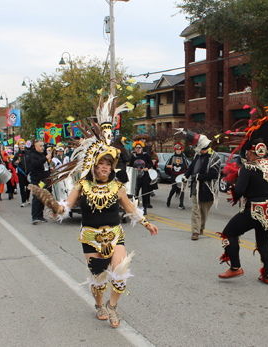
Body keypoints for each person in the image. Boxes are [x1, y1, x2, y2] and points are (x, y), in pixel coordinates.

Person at [30, 89, 159, 328]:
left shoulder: (117, 186)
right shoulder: (82, 185)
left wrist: (145, 222)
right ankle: (99, 303)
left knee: (120, 274)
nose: (105, 167)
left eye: (108, 164)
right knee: (98, 281)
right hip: (90, 236)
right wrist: (55, 207)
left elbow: (130, 207)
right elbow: (66, 206)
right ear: (93, 165)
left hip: (115, 234)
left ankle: (112, 307)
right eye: (101, 163)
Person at [217, 104, 268, 282]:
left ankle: (235, 267)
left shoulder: (248, 168)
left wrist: (233, 190)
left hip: (254, 209)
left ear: (253, 151)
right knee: (263, 242)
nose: (246, 155)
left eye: (247, 152)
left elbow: (240, 191)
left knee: (229, 234)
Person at [180, 129, 221, 240]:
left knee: (204, 212)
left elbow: (214, 174)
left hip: (208, 190)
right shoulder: (197, 156)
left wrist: (199, 177)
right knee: (195, 210)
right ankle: (195, 231)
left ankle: (201, 227)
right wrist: (185, 176)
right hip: (196, 189)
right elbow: (192, 167)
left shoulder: (215, 157)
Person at [30, 139, 52, 224]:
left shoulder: (42, 155)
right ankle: (34, 216)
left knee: (43, 198)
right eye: (40, 146)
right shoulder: (33, 155)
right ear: (35, 147)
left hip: (44, 180)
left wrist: (49, 169)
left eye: (42, 146)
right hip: (37, 179)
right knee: (36, 198)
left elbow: (44, 166)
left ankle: (40, 215)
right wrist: (45, 159)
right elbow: (36, 164)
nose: (42, 148)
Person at [129, 140, 153, 210]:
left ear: (141, 148)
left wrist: (147, 168)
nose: (138, 149)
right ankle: (136, 207)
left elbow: (151, 163)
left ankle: (144, 208)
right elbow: (130, 165)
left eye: (139, 147)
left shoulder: (145, 155)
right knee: (135, 193)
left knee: (144, 193)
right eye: (137, 148)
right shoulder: (133, 157)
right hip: (136, 177)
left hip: (144, 176)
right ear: (135, 149)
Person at [165, 142, 189, 209]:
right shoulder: (172, 157)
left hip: (181, 175)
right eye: (177, 149)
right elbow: (166, 165)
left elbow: (187, 166)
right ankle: (169, 199)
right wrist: (169, 166)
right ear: (175, 150)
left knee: (182, 189)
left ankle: (181, 204)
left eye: (180, 149)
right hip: (174, 175)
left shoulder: (183, 157)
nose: (179, 150)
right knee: (173, 189)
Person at [13, 139, 31, 207]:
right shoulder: (17, 154)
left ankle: (27, 198)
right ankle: (23, 200)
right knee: (22, 187)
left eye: (23, 143)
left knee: (28, 187)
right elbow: (13, 163)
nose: (22, 145)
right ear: (18, 145)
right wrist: (16, 162)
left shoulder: (28, 152)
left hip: (28, 173)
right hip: (21, 173)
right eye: (20, 144)